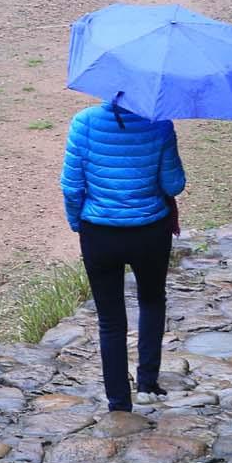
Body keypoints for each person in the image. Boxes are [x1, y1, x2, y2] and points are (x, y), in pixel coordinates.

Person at [59, 95, 185, 412]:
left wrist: (78, 222)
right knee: (152, 301)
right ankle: (147, 384)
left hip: (99, 235)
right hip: (150, 233)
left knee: (110, 321)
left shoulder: (83, 123)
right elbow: (173, 185)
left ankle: (118, 401)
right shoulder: (160, 125)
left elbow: (72, 187)